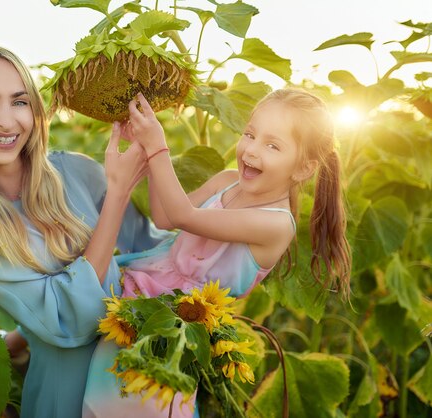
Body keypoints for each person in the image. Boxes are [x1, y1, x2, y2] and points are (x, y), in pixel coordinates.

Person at [0, 47, 169, 418]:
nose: (7, 121)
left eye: (19, 102)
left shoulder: (76, 170)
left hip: (146, 386)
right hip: (67, 396)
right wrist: (117, 194)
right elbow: (68, 321)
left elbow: (150, 257)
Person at [82, 89, 351, 417]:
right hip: (139, 299)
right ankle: (18, 346)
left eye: (272, 145)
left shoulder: (277, 224)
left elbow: (185, 216)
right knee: (100, 403)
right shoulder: (227, 181)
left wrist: (158, 147)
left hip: (177, 329)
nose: (251, 150)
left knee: (142, 404)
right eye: (250, 134)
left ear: (302, 169)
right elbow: (165, 216)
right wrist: (144, 147)